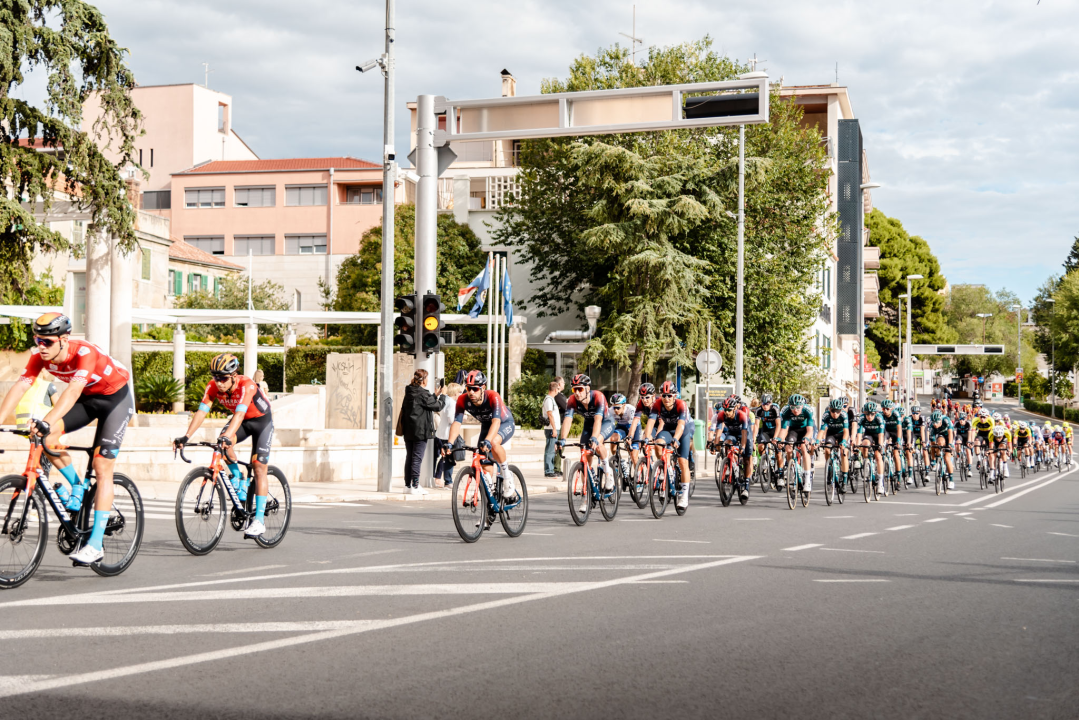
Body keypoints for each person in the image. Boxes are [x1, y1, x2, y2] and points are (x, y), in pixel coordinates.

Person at [0, 313, 135, 565]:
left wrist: (46, 420)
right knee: (47, 438)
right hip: (89, 400)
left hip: (115, 400)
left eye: (47, 342)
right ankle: (77, 485)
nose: (41, 346)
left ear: (64, 339)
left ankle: (95, 545)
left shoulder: (84, 353)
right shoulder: (39, 357)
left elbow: (72, 391)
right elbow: (20, 386)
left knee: (101, 466)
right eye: (38, 340)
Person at [174, 353, 275, 536]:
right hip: (242, 422)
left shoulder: (247, 385)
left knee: (259, 466)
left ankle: (259, 520)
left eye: (223, 378)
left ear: (234, 376)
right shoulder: (213, 386)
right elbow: (202, 411)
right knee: (223, 443)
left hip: (261, 422)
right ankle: (238, 478)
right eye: (216, 378)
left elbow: (240, 414)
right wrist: (186, 437)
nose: (219, 383)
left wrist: (227, 436)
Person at [444, 370, 517, 500]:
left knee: (493, 442)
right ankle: (490, 496)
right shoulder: (462, 400)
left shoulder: (493, 396)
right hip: (486, 426)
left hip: (504, 422)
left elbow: (496, 421)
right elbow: (456, 423)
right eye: (468, 388)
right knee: (483, 462)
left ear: (483, 388)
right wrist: (449, 443)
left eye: (475, 389)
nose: (471, 392)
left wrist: (488, 440)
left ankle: (507, 476)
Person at [557, 374, 615, 512]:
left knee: (598, 443)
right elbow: (568, 420)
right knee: (585, 460)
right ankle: (586, 496)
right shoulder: (572, 400)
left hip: (605, 422)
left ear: (588, 389)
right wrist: (563, 439)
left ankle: (608, 473)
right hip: (588, 425)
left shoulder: (598, 396)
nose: (577, 393)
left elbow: (598, 421)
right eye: (574, 389)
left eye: (580, 389)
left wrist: (594, 438)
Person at [642, 380, 693, 509]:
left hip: (682, 432)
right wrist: (646, 438)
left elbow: (681, 425)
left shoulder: (681, 404)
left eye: (669, 395)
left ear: (674, 396)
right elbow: (651, 422)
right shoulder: (657, 404)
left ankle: (684, 496)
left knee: (682, 462)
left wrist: (676, 439)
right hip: (667, 429)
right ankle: (666, 467)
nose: (666, 398)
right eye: (663, 395)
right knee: (658, 444)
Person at [395, 369, 445, 495]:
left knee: (410, 458)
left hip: (408, 430)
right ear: (423, 380)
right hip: (420, 431)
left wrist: (435, 395)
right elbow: (437, 406)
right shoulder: (423, 394)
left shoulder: (409, 391)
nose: (428, 380)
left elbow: (424, 403)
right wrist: (443, 396)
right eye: (427, 378)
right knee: (417, 458)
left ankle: (407, 486)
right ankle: (415, 486)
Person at [775, 394, 816, 491]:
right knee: (788, 448)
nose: (795, 410)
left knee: (804, 448)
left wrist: (807, 438)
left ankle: (807, 480)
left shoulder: (808, 410)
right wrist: (780, 439)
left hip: (805, 429)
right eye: (793, 407)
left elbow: (810, 430)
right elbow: (784, 429)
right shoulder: (786, 410)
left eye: (798, 407)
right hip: (793, 430)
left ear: (802, 406)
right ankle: (792, 471)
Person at [434, 382, 463, 487]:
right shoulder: (452, 403)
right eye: (459, 392)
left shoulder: (445, 400)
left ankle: (439, 478)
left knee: (445, 457)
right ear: (455, 393)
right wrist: (461, 419)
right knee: (449, 458)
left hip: (441, 433)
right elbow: (451, 419)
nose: (460, 394)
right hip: (448, 434)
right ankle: (448, 481)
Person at [542, 380, 562, 477]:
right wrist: (554, 428)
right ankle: (548, 471)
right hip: (551, 429)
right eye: (558, 389)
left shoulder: (551, 399)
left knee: (552, 449)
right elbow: (550, 414)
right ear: (555, 389)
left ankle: (551, 469)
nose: (559, 391)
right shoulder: (549, 400)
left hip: (554, 428)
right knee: (550, 449)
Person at [552, 376, 567, 474]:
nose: (564, 384)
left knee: (561, 445)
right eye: (563, 383)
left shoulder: (560, 395)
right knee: (560, 445)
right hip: (560, 423)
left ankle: (557, 467)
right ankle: (556, 468)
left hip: (562, 423)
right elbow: (566, 406)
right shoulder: (557, 396)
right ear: (559, 384)